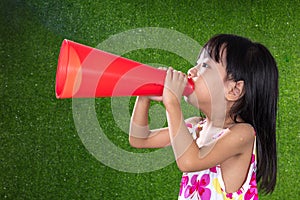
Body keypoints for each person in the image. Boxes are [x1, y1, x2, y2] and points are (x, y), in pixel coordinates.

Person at [129, 34, 278, 199]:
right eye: (196, 64)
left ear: (234, 90)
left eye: (205, 65)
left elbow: (189, 161)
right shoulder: (195, 126)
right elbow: (139, 139)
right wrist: (143, 97)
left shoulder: (243, 134)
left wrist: (172, 103)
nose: (191, 71)